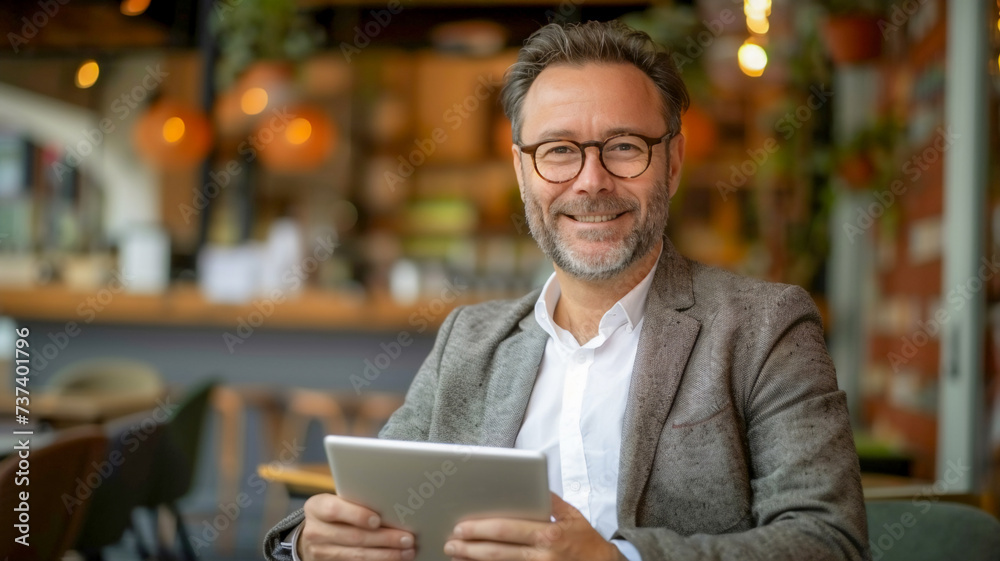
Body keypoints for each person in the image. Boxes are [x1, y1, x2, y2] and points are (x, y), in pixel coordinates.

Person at [264, 20, 869, 561]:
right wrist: (307, 543)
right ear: (523, 169)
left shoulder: (766, 327)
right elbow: (369, 501)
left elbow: (828, 541)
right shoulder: (469, 341)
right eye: (558, 152)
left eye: (625, 147)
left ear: (674, 161)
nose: (591, 181)